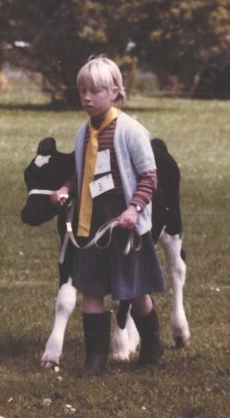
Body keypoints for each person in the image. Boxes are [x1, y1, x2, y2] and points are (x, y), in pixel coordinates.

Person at [51, 56, 166, 375]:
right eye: (82, 91)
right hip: (93, 224)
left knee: (136, 290)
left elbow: (149, 177)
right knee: (91, 289)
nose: (87, 97)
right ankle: (95, 359)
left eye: (95, 91)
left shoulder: (130, 130)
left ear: (115, 92)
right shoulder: (82, 134)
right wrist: (65, 190)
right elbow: (81, 174)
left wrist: (134, 208)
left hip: (125, 224)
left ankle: (152, 346)